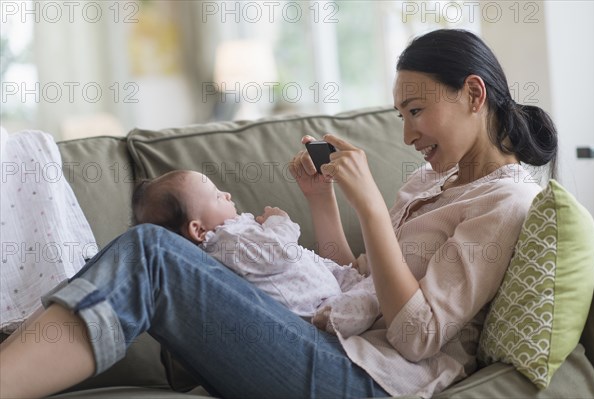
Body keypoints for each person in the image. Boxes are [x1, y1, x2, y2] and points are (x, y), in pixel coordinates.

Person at [0, 29, 557, 399]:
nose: (407, 134)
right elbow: (354, 281)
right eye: (401, 114)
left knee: (154, 254)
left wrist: (369, 205)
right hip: (338, 344)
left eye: (416, 112)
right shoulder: (430, 182)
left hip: (374, 381)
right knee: (156, 255)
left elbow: (417, 336)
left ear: (474, 95)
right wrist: (323, 201)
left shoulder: (505, 202)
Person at [131, 170, 380, 337]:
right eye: (217, 196)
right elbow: (280, 252)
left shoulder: (234, 234)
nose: (227, 194)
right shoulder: (228, 242)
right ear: (198, 229)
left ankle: (361, 289)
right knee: (371, 298)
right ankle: (344, 314)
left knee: (367, 284)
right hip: (317, 309)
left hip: (323, 287)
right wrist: (278, 222)